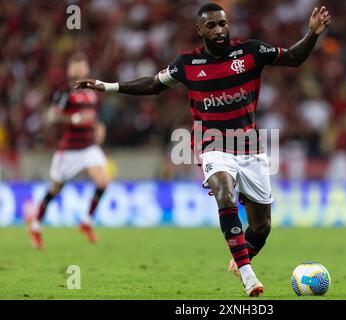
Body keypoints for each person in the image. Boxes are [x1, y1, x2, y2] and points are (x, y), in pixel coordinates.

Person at [75, 3, 331, 297]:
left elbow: (294, 58)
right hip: (212, 144)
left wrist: (312, 33)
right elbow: (152, 86)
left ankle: (242, 256)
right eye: (211, 25)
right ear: (200, 30)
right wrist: (106, 86)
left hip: (250, 148)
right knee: (223, 192)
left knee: (261, 228)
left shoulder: (251, 52)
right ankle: (248, 275)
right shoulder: (186, 65)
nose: (219, 30)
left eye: (223, 24)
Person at [27, 53, 110, 250]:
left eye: (83, 64)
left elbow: (93, 117)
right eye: (76, 65)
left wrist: (99, 127)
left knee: (103, 181)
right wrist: (73, 119)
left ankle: (86, 222)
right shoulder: (65, 92)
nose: (80, 68)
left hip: (89, 147)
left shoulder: (93, 92)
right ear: (69, 69)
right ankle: (36, 225)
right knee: (54, 190)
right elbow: (52, 116)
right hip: (69, 150)